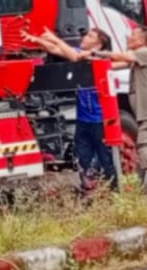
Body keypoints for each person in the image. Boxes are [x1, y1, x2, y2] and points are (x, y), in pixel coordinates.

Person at [22, 27, 118, 190]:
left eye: (90, 35)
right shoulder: (81, 52)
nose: (85, 37)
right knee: (83, 158)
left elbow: (74, 56)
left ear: (99, 44)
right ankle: (90, 189)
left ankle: (113, 190)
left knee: (105, 158)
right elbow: (56, 49)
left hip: (99, 119)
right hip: (83, 119)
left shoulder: (96, 56)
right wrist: (35, 39)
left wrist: (54, 38)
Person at [95, 25, 147, 192]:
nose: (128, 38)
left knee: (144, 153)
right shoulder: (137, 61)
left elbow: (119, 56)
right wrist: (88, 60)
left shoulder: (146, 53)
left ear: (141, 40)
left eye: (132, 35)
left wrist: (97, 52)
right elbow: (112, 65)